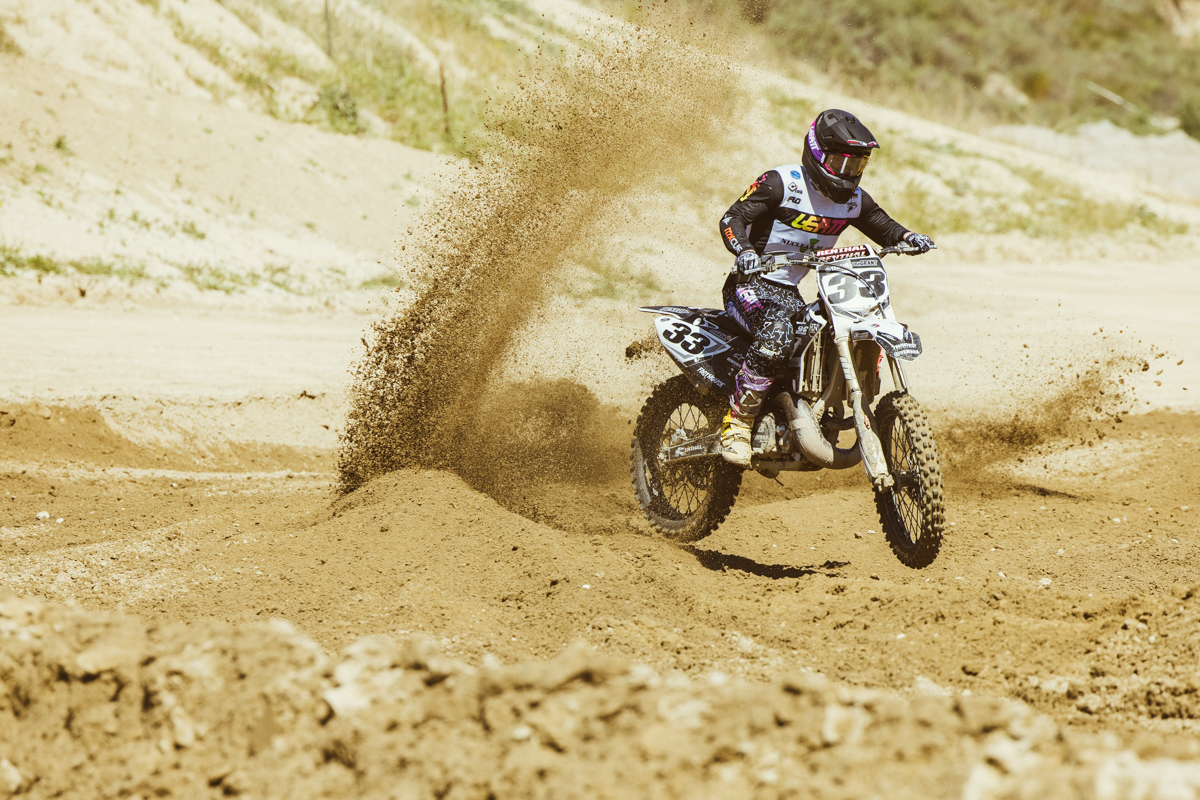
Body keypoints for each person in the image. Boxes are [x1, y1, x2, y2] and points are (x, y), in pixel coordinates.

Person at [716, 108, 936, 467]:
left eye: (856, 164)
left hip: (789, 293)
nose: (847, 172)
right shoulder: (781, 183)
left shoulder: (853, 200)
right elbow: (733, 217)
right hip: (750, 286)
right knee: (777, 335)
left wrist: (909, 237)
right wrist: (744, 251)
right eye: (839, 162)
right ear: (817, 153)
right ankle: (737, 424)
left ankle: (811, 409)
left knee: (830, 330)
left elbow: (882, 225)